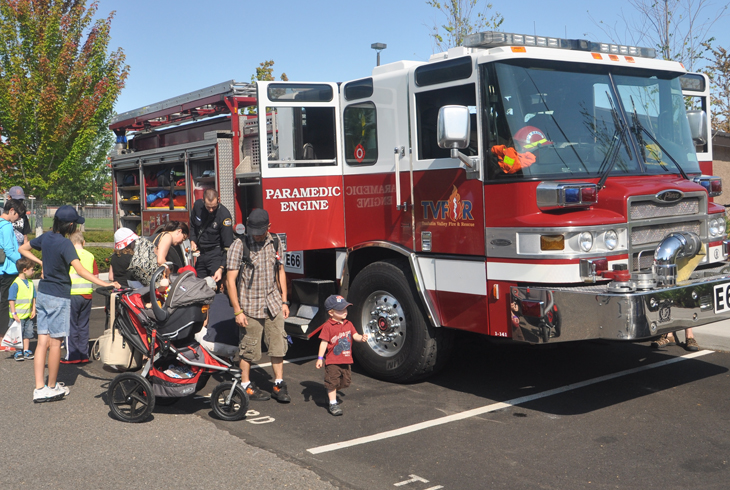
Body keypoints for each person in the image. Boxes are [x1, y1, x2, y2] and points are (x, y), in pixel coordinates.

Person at [19, 205, 119, 403]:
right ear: (71, 225)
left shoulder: (46, 237)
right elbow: (81, 271)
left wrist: (40, 263)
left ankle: (39, 387)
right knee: (55, 343)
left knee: (42, 343)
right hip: (59, 295)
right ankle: (52, 386)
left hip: (44, 293)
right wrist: (107, 284)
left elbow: (22, 248)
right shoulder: (66, 245)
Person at [225, 208, 291, 403]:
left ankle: (278, 384)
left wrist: (284, 301)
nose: (257, 235)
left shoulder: (276, 241)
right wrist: (237, 311)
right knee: (248, 348)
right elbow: (230, 281)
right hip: (249, 305)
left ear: (269, 227)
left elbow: (281, 272)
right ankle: (245, 385)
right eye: (253, 230)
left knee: (278, 344)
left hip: (273, 303)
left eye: (261, 231)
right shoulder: (239, 245)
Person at [315, 295, 369, 416]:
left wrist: (361, 338)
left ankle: (330, 394)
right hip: (332, 361)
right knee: (332, 382)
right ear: (331, 312)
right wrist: (319, 358)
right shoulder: (328, 326)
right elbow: (323, 343)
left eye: (345, 309)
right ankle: (333, 403)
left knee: (345, 383)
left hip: (346, 360)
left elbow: (355, 336)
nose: (344, 312)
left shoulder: (348, 324)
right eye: (340, 310)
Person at [61, 231, 97, 364]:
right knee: (83, 325)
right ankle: (84, 354)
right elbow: (96, 276)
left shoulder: (68, 255)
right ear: (84, 243)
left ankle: (73, 355)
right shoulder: (90, 255)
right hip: (87, 294)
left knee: (70, 325)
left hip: (71, 294)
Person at [190, 189, 233, 283]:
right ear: (203, 200)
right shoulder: (198, 206)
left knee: (214, 286)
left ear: (218, 200)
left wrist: (221, 267)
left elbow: (228, 247)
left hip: (216, 255)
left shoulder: (224, 215)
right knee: (198, 285)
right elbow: (193, 225)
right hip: (201, 254)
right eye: (208, 207)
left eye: (213, 207)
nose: (210, 210)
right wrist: (192, 240)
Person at [0, 199, 26, 326]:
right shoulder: (6, 226)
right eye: (18, 215)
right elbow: (9, 251)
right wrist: (23, 262)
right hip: (8, 270)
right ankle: (2, 337)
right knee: (5, 303)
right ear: (11, 211)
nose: (18, 218)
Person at [8, 257, 36, 361]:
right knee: (17, 334)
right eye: (32, 269)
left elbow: (33, 297)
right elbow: (11, 299)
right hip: (18, 316)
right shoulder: (16, 284)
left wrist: (33, 309)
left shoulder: (31, 283)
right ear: (25, 270)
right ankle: (18, 351)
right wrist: (14, 313)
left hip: (27, 314)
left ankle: (26, 350)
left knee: (28, 333)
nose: (33, 271)